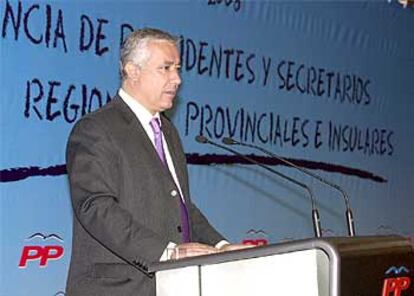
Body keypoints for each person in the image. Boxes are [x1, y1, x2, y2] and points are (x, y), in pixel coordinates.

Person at [65, 28, 248, 296]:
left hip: (170, 286)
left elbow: (181, 206)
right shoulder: (96, 129)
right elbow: (96, 207)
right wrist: (167, 253)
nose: (177, 79)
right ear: (132, 70)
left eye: (178, 68)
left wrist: (220, 246)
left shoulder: (168, 132)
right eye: (166, 68)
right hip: (117, 288)